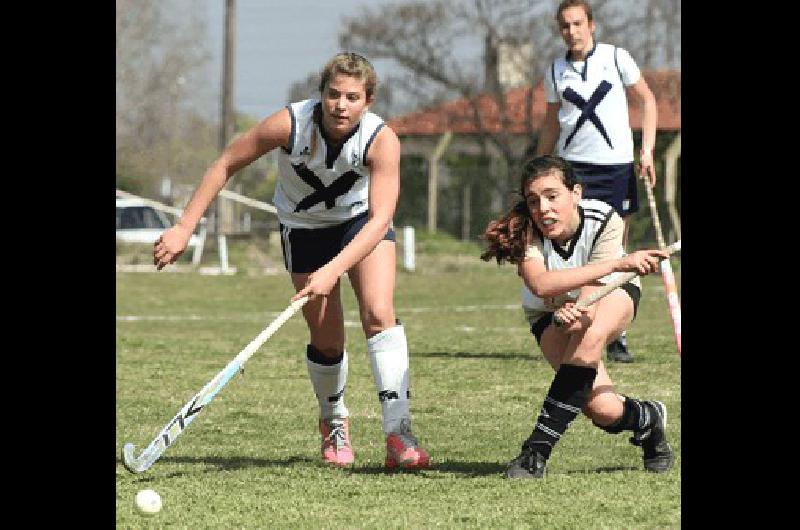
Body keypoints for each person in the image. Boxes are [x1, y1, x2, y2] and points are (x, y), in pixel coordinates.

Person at [153, 52, 430, 470]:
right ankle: (334, 422)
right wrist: (184, 227)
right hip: (302, 228)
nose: (341, 105)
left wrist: (333, 270)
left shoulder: (381, 140)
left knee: (379, 312)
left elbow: (380, 221)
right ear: (320, 95)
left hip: (359, 224)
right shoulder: (289, 124)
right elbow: (225, 163)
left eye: (352, 97)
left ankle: (398, 434)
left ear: (368, 100)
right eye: (333, 95)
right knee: (328, 338)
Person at [481, 155, 674, 479]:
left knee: (588, 336)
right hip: (546, 309)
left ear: (576, 193)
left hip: (609, 293)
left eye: (552, 196)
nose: (543, 208)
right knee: (601, 409)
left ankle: (535, 452)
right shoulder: (526, 229)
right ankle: (648, 419)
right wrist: (616, 264)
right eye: (534, 200)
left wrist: (582, 311)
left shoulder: (604, 220)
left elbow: (592, 299)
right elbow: (541, 284)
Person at [535, 0, 659, 363]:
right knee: (574, 250)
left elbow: (648, 102)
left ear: (591, 25)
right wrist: (539, 166)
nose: (571, 31)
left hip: (616, 167)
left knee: (615, 251)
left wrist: (647, 150)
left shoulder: (617, 58)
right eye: (564, 26)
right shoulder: (555, 71)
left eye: (577, 24)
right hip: (574, 168)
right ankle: (575, 323)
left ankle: (616, 332)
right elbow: (551, 121)